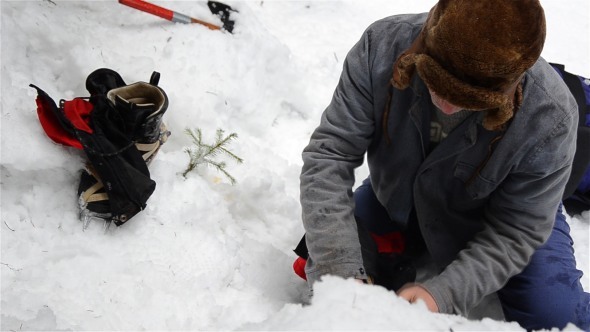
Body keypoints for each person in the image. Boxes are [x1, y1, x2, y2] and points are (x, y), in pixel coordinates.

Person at [298, 0, 590, 330]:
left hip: (503, 217)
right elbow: (329, 156)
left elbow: (517, 229)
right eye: (439, 85)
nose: (449, 107)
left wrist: (444, 294)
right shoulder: (380, 47)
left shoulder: (550, 117)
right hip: (398, 199)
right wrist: (341, 271)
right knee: (329, 257)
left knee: (554, 315)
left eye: (470, 99)